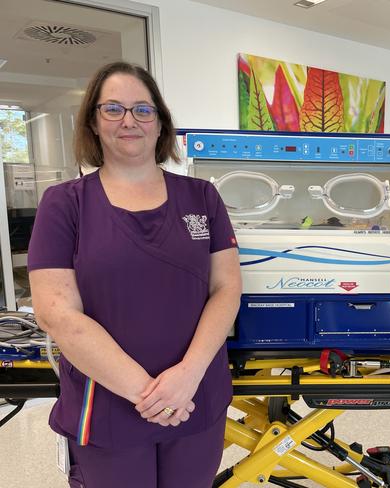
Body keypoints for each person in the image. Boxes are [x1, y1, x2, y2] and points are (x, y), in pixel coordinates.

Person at [28, 61, 241, 488]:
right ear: (93, 121)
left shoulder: (202, 196)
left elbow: (226, 288)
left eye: (143, 109)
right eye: (113, 109)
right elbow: (56, 314)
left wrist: (186, 378)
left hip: (195, 395)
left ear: (160, 123)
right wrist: (150, 394)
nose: (129, 120)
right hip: (107, 402)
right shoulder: (65, 203)